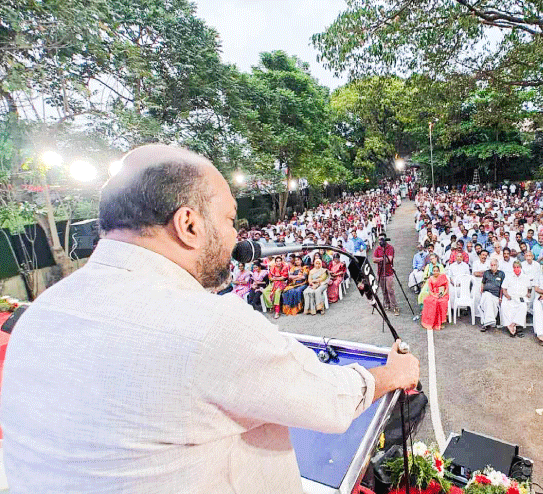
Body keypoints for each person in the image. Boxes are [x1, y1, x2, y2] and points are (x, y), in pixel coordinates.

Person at [0, 144, 419, 493]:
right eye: (231, 219)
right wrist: (390, 373)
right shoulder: (206, 325)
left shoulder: (40, 314)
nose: (238, 236)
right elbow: (331, 401)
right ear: (189, 224)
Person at [500, 260, 531, 337]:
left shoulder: (525, 277)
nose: (516, 269)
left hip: (520, 297)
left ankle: (513, 325)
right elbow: (504, 288)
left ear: (520, 267)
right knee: (505, 306)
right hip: (510, 297)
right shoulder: (509, 276)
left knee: (523, 307)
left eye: (518, 267)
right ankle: (510, 327)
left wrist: (528, 293)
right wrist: (507, 296)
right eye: (514, 267)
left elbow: (529, 288)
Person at [373, 234, 399, 315]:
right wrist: (382, 259)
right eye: (379, 240)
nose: (380, 241)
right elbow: (374, 259)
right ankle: (387, 304)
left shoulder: (390, 248)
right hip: (380, 272)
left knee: (390, 290)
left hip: (389, 272)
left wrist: (379, 259)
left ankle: (395, 307)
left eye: (381, 239)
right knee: (384, 290)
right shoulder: (378, 249)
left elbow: (389, 259)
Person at [479, 258, 505, 331]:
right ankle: (490, 320)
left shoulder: (501, 274)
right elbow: (483, 283)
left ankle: (486, 322)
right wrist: (481, 290)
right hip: (486, 293)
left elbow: (503, 287)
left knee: (490, 301)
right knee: (488, 298)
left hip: (496, 295)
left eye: (494, 265)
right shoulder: (486, 273)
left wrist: (501, 297)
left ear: (497, 266)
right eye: (492, 265)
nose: (493, 266)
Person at [421, 265, 450, 330]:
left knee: (442, 302)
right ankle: (431, 322)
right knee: (428, 301)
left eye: (437, 271)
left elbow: (446, 288)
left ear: (439, 271)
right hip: (434, 294)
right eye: (434, 271)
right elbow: (430, 291)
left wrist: (442, 295)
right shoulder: (430, 279)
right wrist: (435, 295)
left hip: (443, 295)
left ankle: (442, 322)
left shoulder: (443, 277)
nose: (435, 272)